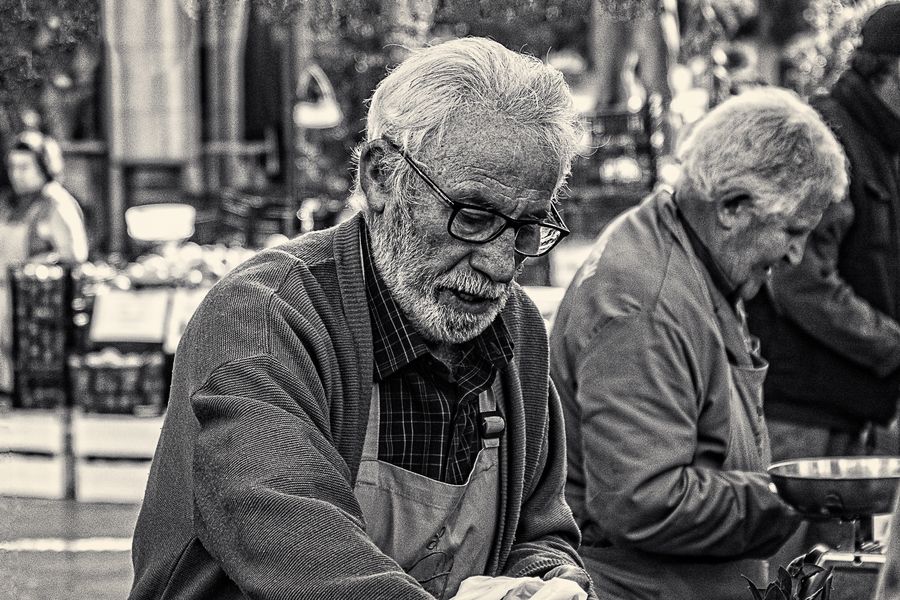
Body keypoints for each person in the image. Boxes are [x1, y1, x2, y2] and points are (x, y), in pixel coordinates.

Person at [129, 37, 595, 600]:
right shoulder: (263, 318)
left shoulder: (515, 329)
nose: (501, 265)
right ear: (381, 178)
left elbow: (538, 529)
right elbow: (295, 540)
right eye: (472, 217)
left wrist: (551, 582)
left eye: (526, 229)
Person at [549, 87, 848, 600]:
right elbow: (643, 501)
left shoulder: (694, 252)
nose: (798, 255)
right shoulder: (645, 301)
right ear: (732, 207)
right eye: (793, 231)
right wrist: (796, 496)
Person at [747, 2, 900, 466]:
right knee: (799, 542)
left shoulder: (882, 141)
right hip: (802, 417)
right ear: (891, 70)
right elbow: (800, 280)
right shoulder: (828, 136)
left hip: (852, 410)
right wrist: (894, 345)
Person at [0, 129, 88, 399]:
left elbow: (74, 254)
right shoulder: (11, 203)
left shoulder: (55, 202)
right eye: (13, 166)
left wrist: (30, 268)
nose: (18, 174)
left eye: (25, 167)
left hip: (34, 307)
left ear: (44, 166)